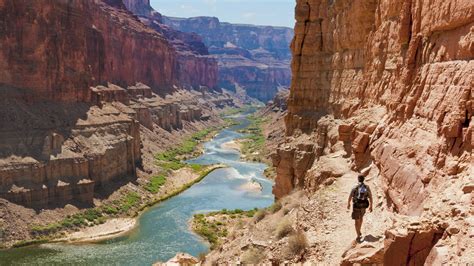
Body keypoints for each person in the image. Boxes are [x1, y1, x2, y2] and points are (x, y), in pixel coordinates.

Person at [347, 175, 373, 241]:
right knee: (361, 218)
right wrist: (371, 206)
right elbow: (370, 196)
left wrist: (348, 204)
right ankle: (359, 230)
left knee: (356, 221)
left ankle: (358, 235)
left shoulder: (355, 187)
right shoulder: (367, 187)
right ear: (363, 179)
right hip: (364, 205)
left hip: (356, 205)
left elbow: (350, 195)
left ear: (358, 179)